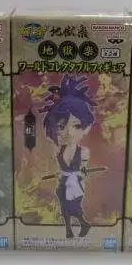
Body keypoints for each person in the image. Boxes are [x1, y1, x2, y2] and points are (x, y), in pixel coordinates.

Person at [41, 75, 96, 238]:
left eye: (76, 126)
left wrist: (82, 173)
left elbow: (83, 169)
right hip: (62, 184)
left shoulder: (83, 151)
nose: (69, 133)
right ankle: (69, 230)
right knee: (64, 208)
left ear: (86, 127)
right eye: (61, 127)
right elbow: (58, 168)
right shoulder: (57, 151)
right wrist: (60, 174)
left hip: (76, 184)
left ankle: (83, 223)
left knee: (75, 207)